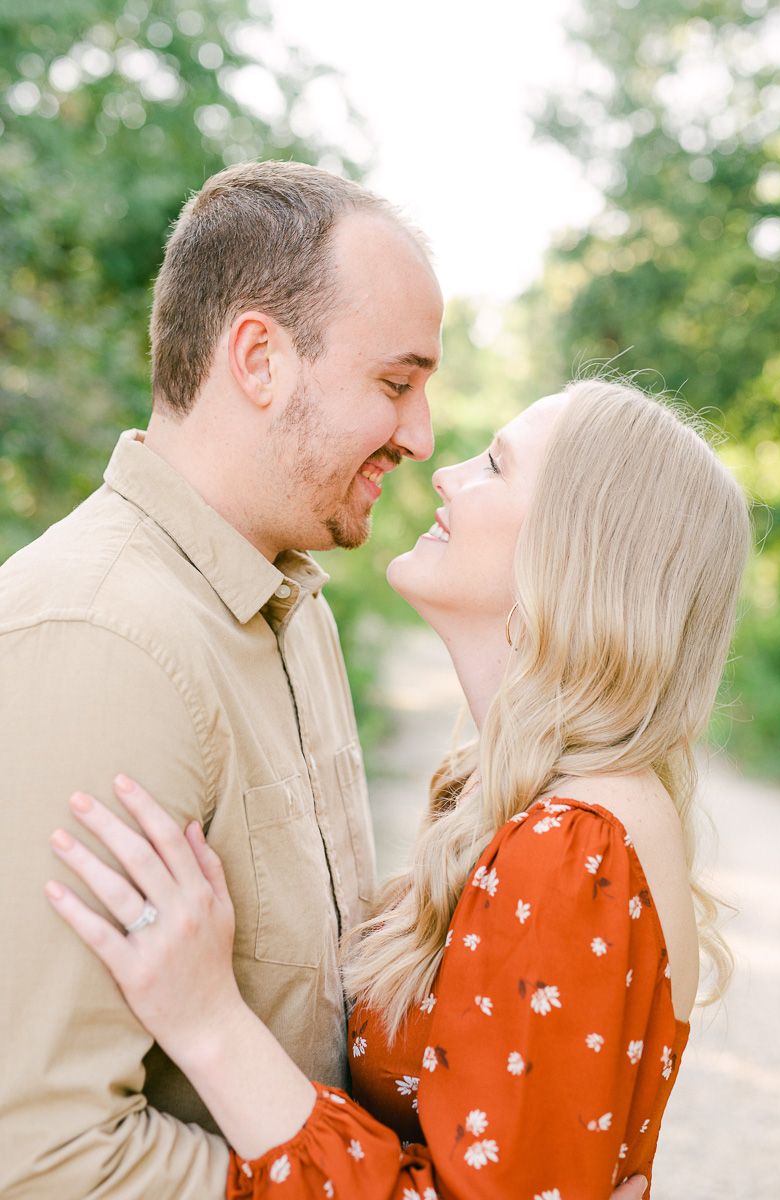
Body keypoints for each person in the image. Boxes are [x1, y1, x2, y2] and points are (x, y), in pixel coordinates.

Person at [46, 379, 751, 1198]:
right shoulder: (568, 811)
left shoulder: (574, 846)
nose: (446, 472)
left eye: (494, 464)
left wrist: (209, 1022)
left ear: (575, 552)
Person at [0, 161, 442, 1197]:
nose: (419, 435)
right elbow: (44, 1150)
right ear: (259, 358)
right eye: (395, 383)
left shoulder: (294, 607)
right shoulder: (102, 640)